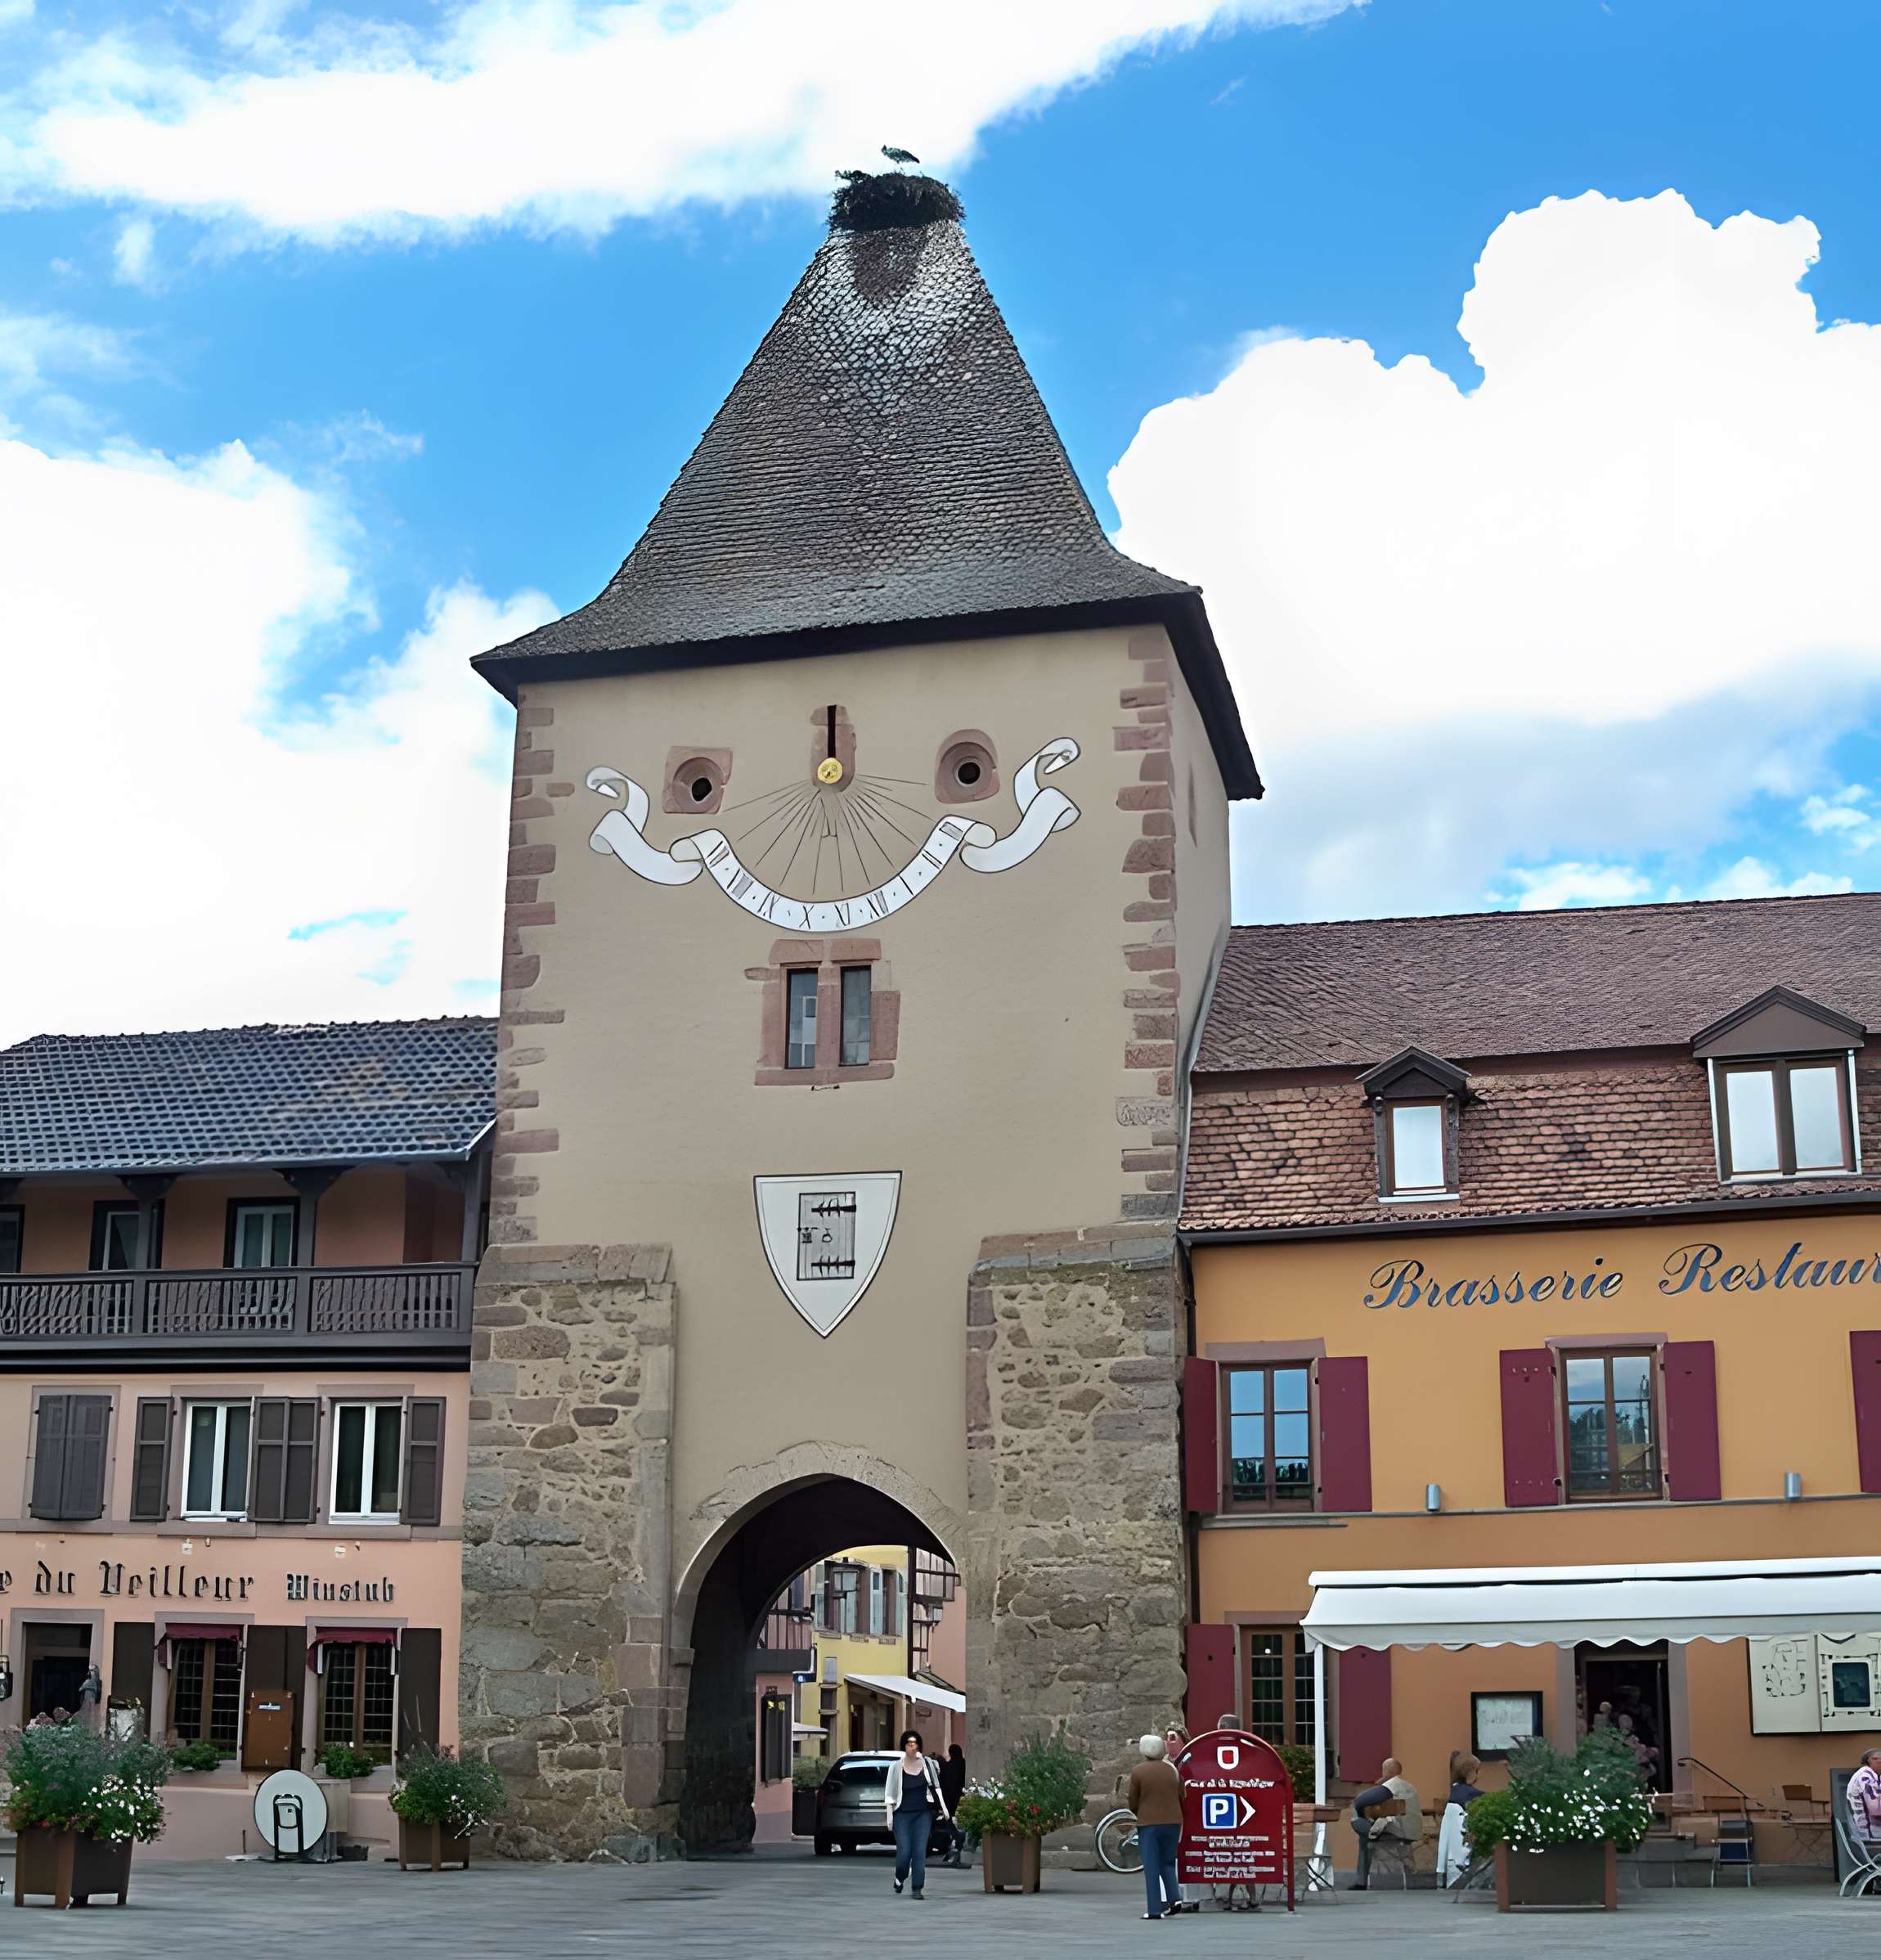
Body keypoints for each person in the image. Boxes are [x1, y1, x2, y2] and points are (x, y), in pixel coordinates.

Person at [883, 1729, 948, 1898]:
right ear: (904, 1746)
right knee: (904, 1851)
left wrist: (944, 1808)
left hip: (923, 1814)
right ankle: (900, 1878)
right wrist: (889, 1817)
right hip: (902, 1814)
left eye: (915, 1743)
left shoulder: (927, 1765)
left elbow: (937, 1787)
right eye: (909, 1743)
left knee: (919, 1851)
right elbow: (890, 1794)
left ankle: (917, 1887)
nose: (913, 1747)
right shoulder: (896, 1768)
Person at [1127, 1733, 1184, 1920]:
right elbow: (1182, 1795)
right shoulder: (1172, 1770)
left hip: (1149, 1822)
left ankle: (1154, 1909)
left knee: (1151, 1866)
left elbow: (1133, 1799)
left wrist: (1138, 1811)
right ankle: (1174, 1898)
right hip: (1173, 1821)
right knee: (1168, 1862)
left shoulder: (1138, 1771)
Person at [1348, 1756, 1424, 1890]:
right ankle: (1362, 1880)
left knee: (1357, 1823)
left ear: (1387, 1771)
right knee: (1365, 1838)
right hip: (1413, 1831)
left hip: (1396, 1832)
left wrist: (1380, 1786)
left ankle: (1361, 1882)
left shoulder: (1390, 1786)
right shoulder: (1411, 1787)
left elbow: (1360, 1801)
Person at [1438, 1752, 1483, 1886]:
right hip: (1463, 1860)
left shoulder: (1455, 1792)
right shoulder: (1471, 1796)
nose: (1479, 1775)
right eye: (1477, 1771)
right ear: (1469, 1772)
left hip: (1452, 1860)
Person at [937, 1744, 967, 1868]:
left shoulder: (947, 1766)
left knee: (950, 1821)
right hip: (960, 1798)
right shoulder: (963, 1764)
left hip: (948, 1800)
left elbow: (942, 1782)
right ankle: (957, 1841)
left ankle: (955, 1840)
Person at [1848, 1748, 1881, 1845]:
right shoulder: (1865, 1776)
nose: (1879, 1761)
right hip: (1868, 1832)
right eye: (1875, 1759)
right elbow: (1875, 1809)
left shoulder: (1875, 1775)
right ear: (1868, 1761)